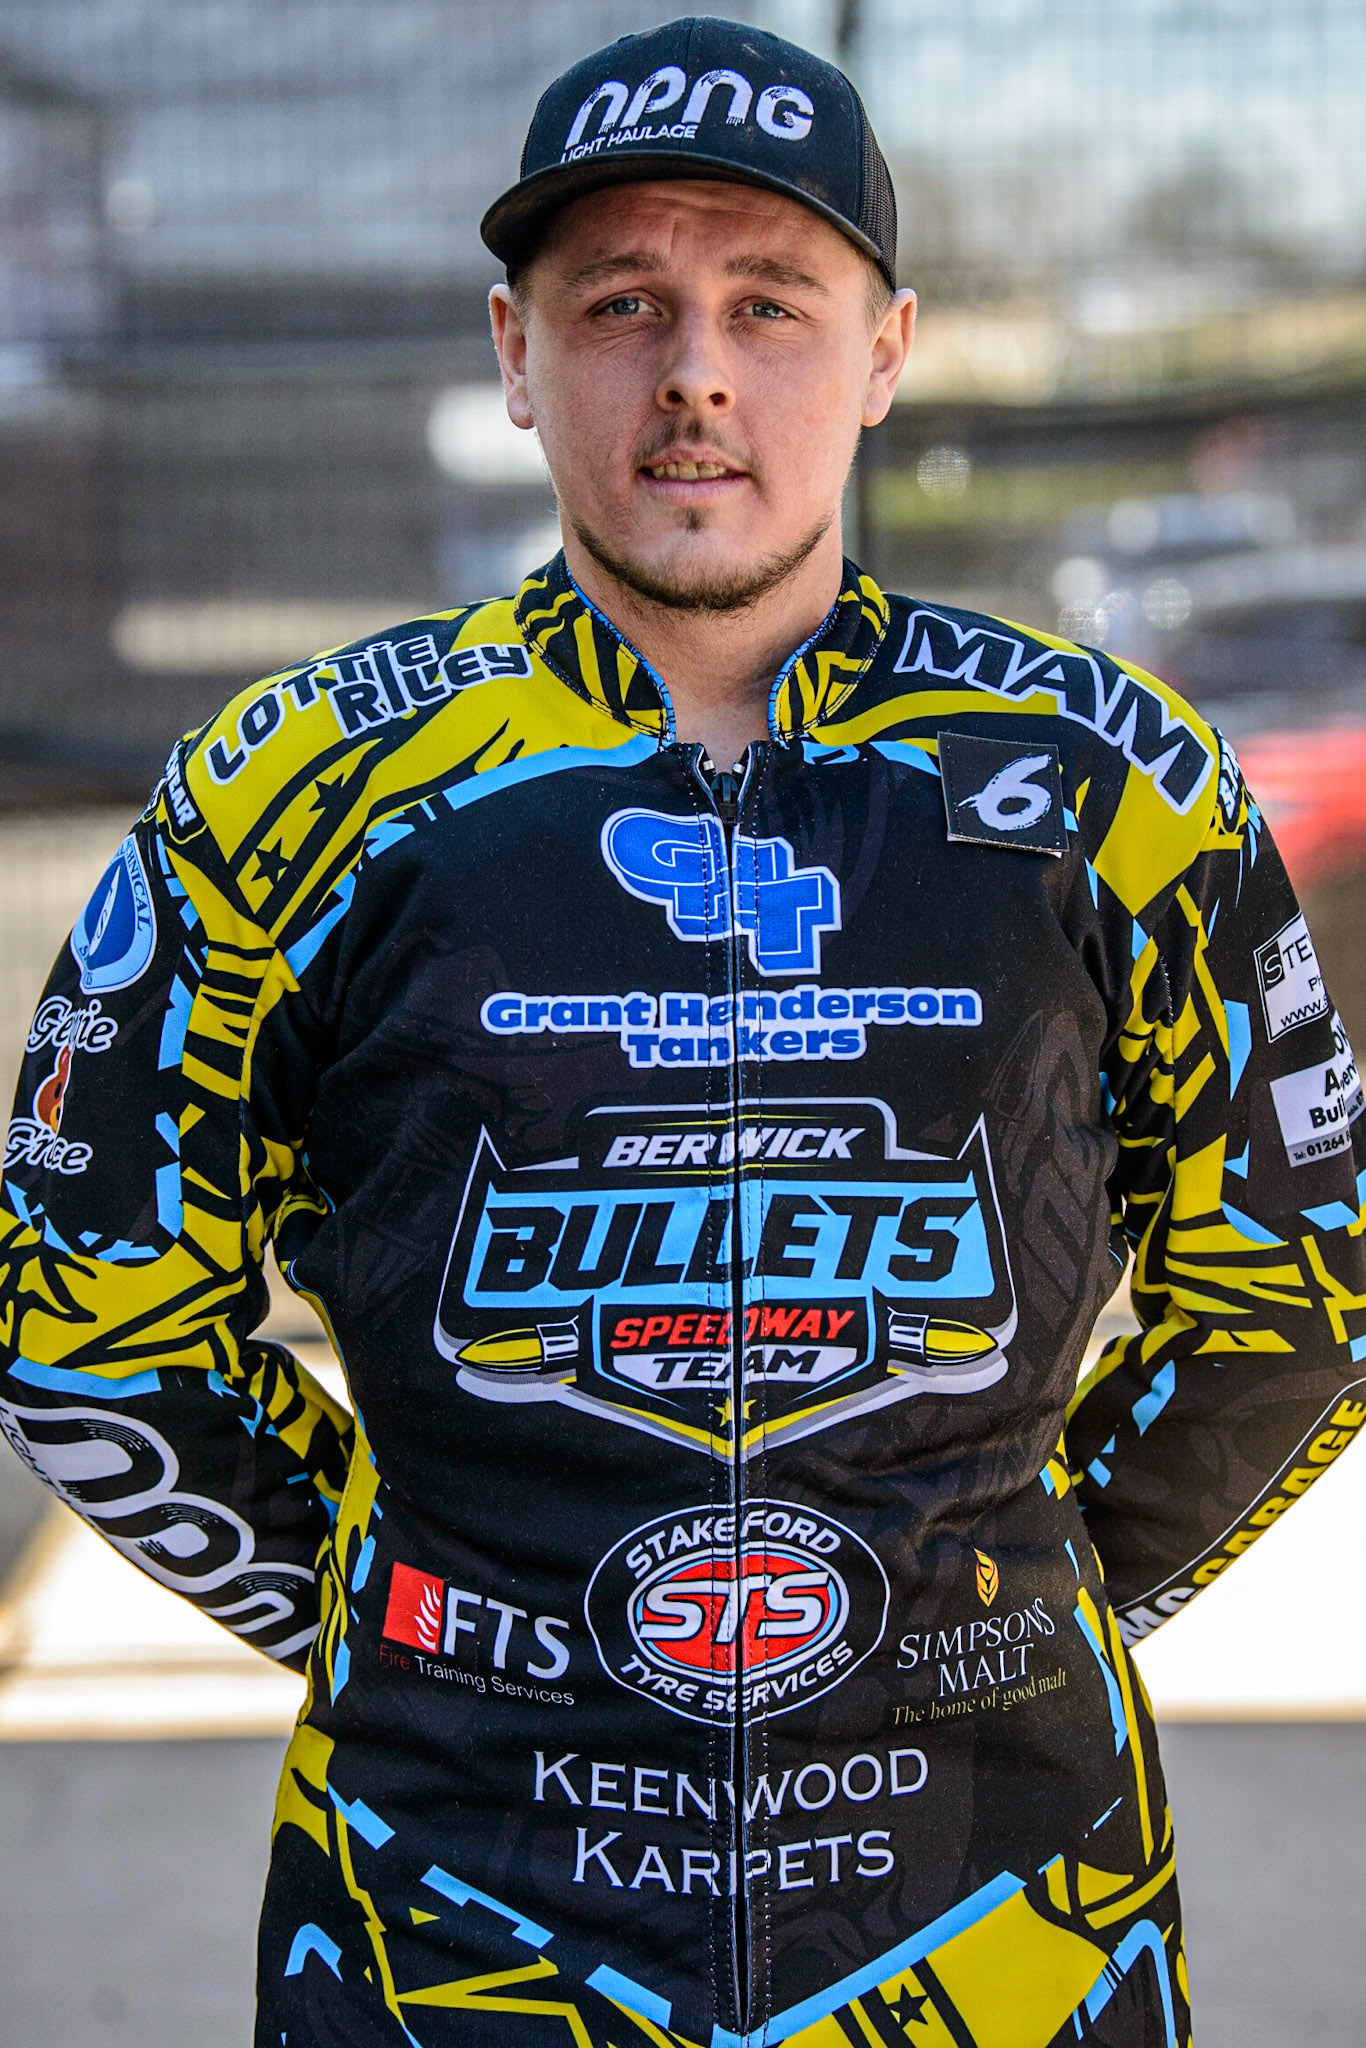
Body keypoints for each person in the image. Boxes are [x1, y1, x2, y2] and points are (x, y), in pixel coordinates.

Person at [3, 16, 1364, 2046]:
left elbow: (1298, 1296)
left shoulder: (1112, 783)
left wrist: (1009, 1610)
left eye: (768, 301)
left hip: (1003, 1913)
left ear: (884, 351)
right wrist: (410, 1622)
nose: (695, 372)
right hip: (446, 1915)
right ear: (514, 351)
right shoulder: (298, 788)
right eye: (621, 303)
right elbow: (82, 1318)